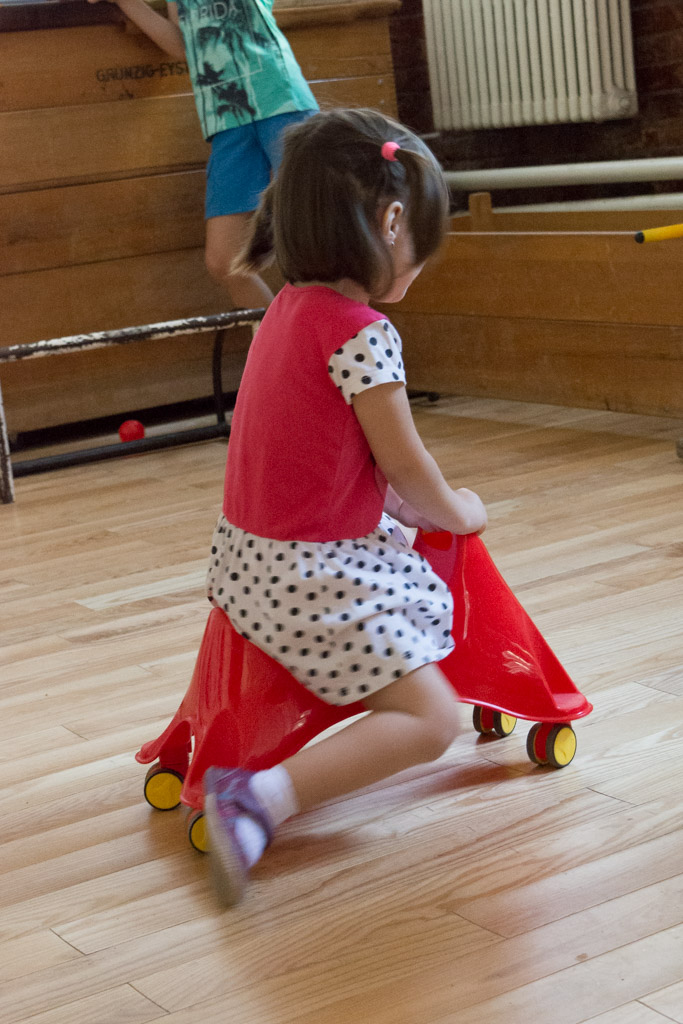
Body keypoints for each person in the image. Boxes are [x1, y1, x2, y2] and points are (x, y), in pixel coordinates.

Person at [202, 108, 488, 905]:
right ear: (391, 223)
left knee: (400, 548)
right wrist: (458, 510)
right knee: (433, 721)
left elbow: (330, 450)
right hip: (309, 574)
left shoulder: (286, 308)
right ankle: (257, 799)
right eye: (421, 243)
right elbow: (406, 463)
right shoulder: (363, 334)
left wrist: (399, 506)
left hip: (245, 561)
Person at [88, 0, 318, 309]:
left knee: (317, 241)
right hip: (226, 119)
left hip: (281, 100)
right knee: (225, 261)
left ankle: (341, 335)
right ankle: (283, 339)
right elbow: (185, 44)